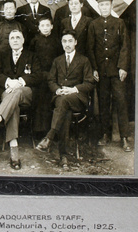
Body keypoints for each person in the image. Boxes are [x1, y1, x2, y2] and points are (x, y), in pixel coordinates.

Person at [0, 30, 42, 170]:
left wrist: (20, 81)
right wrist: (8, 82)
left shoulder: (31, 56)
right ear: (9, 41)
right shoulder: (2, 56)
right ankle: (14, 150)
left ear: (23, 40)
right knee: (13, 105)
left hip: (26, 93)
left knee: (18, 91)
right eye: (12, 38)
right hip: (7, 93)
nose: (15, 40)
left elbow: (38, 75)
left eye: (18, 38)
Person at [35, 30, 95, 168]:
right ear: (61, 44)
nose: (67, 44)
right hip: (61, 98)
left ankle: (50, 136)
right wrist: (57, 89)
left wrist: (73, 89)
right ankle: (64, 156)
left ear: (75, 42)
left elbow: (89, 83)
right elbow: (51, 79)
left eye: (70, 41)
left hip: (77, 98)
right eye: (64, 41)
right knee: (65, 112)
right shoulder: (57, 60)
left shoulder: (84, 60)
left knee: (64, 102)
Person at [87, 0, 132, 152]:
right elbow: (90, 49)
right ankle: (105, 134)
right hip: (102, 71)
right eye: (102, 5)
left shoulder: (119, 23)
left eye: (107, 5)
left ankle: (124, 137)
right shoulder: (94, 25)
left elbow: (125, 47)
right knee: (104, 103)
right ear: (98, 7)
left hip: (116, 71)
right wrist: (94, 69)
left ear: (111, 6)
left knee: (121, 102)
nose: (104, 7)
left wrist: (123, 67)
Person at [29, 17, 63, 136]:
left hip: (54, 76)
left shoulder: (57, 41)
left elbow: (60, 59)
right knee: (39, 98)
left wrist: (53, 74)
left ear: (52, 27)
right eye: (42, 26)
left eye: (47, 25)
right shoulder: (34, 41)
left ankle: (52, 130)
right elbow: (32, 59)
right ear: (38, 28)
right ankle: (38, 130)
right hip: (39, 76)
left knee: (51, 99)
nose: (45, 28)